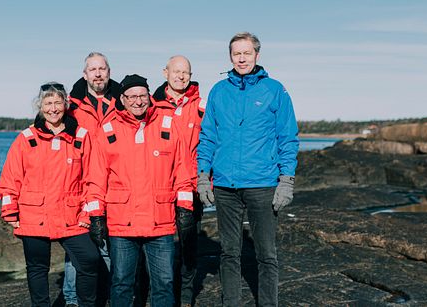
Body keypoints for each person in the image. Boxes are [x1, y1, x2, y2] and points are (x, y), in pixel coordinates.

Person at [196, 32, 299, 307]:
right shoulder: (219, 91)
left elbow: (287, 137)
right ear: (231, 56)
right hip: (226, 186)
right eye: (236, 54)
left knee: (266, 254)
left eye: (247, 53)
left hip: (262, 184)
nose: (241, 58)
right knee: (229, 252)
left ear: (257, 55)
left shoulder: (275, 90)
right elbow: (207, 136)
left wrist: (286, 180)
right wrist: (203, 176)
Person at [86, 74, 196, 307]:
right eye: (132, 96)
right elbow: (95, 179)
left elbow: (183, 171)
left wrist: (185, 209)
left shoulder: (168, 124)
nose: (138, 101)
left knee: (164, 282)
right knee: (121, 282)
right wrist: (96, 216)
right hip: (122, 223)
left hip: (161, 221)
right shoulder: (107, 130)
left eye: (142, 96)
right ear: (122, 99)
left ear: (149, 97)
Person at [0, 82, 101, 307]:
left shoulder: (81, 136)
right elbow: (10, 179)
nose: (53, 108)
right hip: (34, 214)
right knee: (37, 268)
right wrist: (10, 211)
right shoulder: (26, 138)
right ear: (40, 106)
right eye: (48, 103)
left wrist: (87, 214)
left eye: (57, 103)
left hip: (71, 215)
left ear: (66, 104)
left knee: (89, 260)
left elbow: (92, 180)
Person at [66, 51, 121, 306]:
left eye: (102, 69)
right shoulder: (72, 106)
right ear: (84, 74)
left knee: (111, 243)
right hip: (80, 183)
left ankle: (107, 295)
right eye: (93, 69)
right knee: (79, 244)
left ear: (109, 71)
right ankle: (72, 299)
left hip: (115, 182)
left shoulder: (123, 101)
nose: (98, 74)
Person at [152, 55, 204, 307]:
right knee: (158, 245)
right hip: (160, 187)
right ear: (165, 73)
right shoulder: (151, 105)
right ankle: (161, 293)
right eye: (176, 71)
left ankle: (185, 297)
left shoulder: (202, 105)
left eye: (186, 72)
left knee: (188, 245)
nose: (181, 76)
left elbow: (213, 144)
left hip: (192, 187)